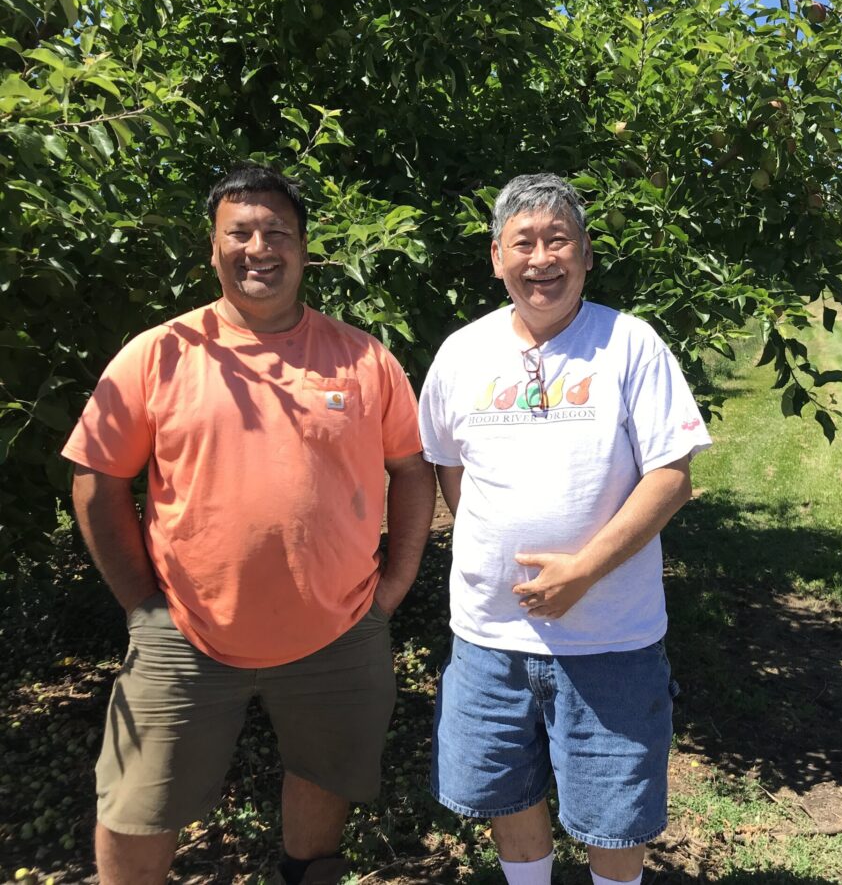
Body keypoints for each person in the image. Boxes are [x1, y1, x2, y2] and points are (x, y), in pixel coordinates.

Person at [62, 163, 435, 885]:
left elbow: (411, 469)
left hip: (339, 631)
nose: (259, 247)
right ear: (213, 247)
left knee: (326, 781)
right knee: (139, 804)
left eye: (278, 233)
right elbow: (97, 477)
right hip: (186, 633)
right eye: (240, 232)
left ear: (303, 248)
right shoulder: (159, 352)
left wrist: (395, 585)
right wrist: (143, 606)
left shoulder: (363, 357)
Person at [418, 173, 712, 885]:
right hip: (490, 634)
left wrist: (582, 570)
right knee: (505, 791)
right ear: (497, 257)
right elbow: (447, 468)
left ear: (584, 256)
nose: (541, 258)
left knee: (615, 809)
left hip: (609, 634)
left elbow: (673, 475)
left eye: (559, 241)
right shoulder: (461, 354)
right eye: (525, 242)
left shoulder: (629, 344)